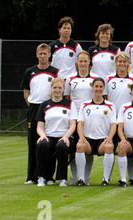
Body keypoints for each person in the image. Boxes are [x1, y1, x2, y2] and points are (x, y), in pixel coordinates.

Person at [20, 43, 59, 184]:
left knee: (49, 142)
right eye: (40, 54)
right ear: (37, 55)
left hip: (50, 109)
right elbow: (26, 93)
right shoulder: (29, 72)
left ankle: (49, 176)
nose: (43, 56)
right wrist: (32, 107)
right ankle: (31, 176)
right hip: (34, 109)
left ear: (49, 55)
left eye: (45, 54)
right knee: (32, 143)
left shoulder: (55, 72)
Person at [64, 51, 99, 185]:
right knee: (74, 149)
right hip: (74, 119)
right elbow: (67, 98)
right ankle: (75, 177)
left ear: (90, 63)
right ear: (77, 63)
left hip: (89, 119)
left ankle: (86, 177)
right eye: (81, 61)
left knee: (87, 148)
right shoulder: (70, 79)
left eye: (85, 61)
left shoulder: (95, 78)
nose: (83, 64)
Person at [75, 78, 118, 186]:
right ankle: (81, 179)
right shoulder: (84, 105)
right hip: (88, 140)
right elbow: (80, 123)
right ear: (92, 87)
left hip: (102, 141)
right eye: (96, 86)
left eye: (100, 87)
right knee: (79, 146)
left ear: (103, 89)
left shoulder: (110, 106)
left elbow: (113, 125)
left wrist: (109, 138)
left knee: (109, 147)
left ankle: (106, 179)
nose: (98, 89)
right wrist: (81, 137)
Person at [35, 78, 77, 187]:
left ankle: (62, 178)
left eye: (60, 88)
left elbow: (73, 125)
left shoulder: (70, 104)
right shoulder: (44, 105)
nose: (57, 90)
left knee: (61, 146)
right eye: (55, 88)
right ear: (51, 89)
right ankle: (42, 177)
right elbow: (39, 126)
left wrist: (66, 137)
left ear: (63, 90)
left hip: (65, 137)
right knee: (42, 144)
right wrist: (43, 136)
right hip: (49, 136)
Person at [105, 52, 133, 185]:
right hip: (113, 119)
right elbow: (106, 98)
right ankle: (106, 178)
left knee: (127, 146)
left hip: (128, 118)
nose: (122, 64)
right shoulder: (109, 79)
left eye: (124, 62)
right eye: (119, 61)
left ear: (128, 64)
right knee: (111, 147)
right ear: (116, 63)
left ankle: (130, 178)